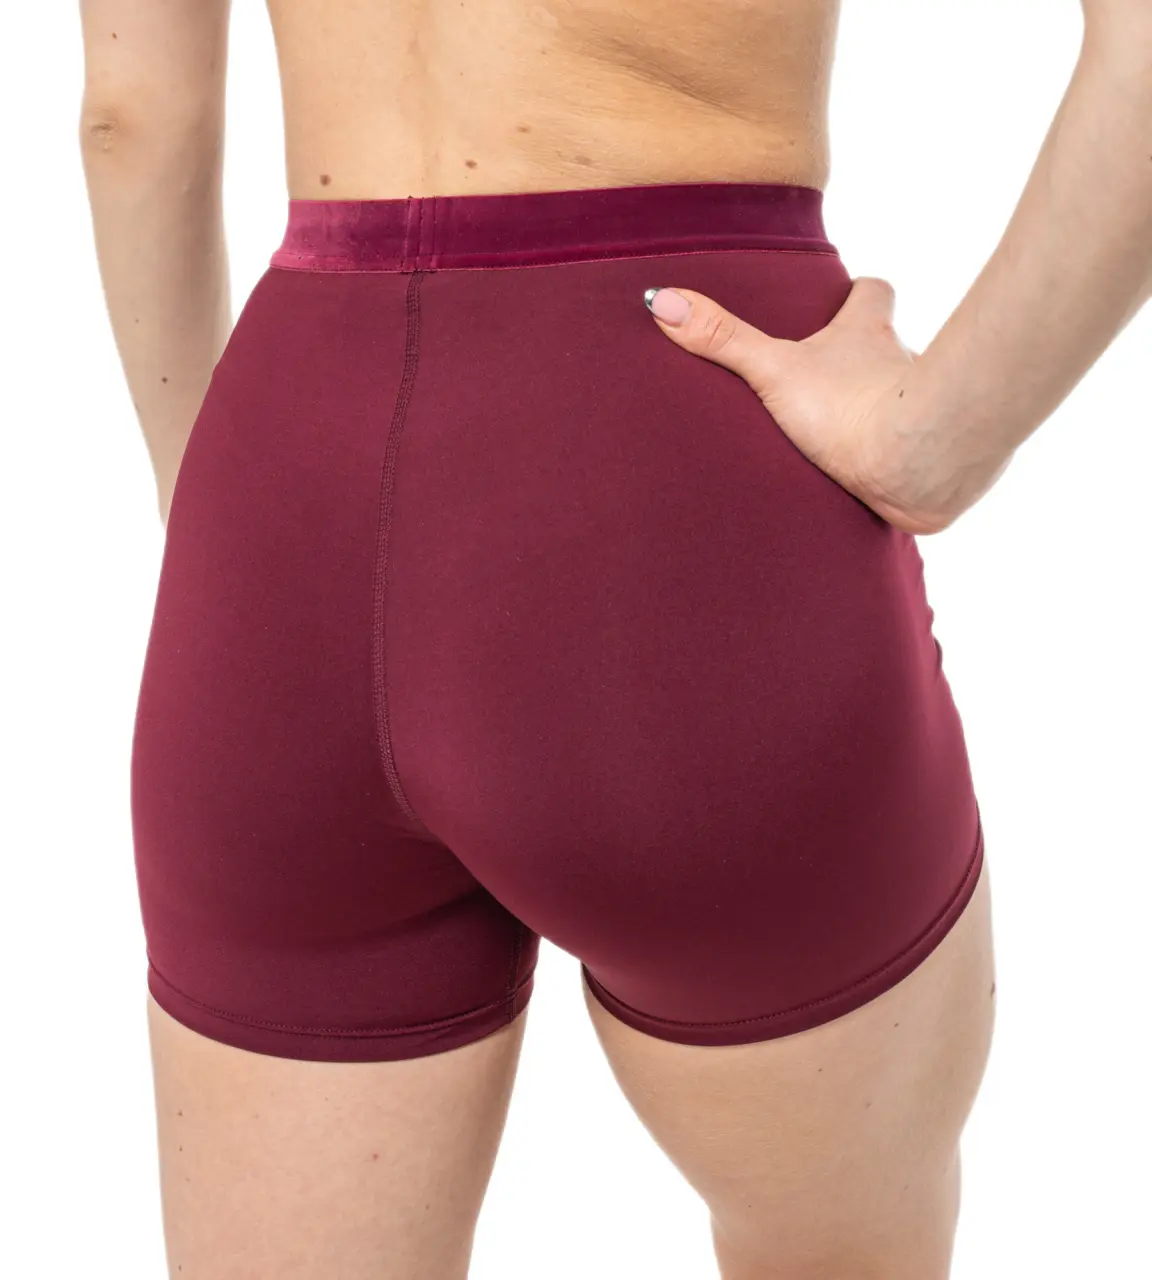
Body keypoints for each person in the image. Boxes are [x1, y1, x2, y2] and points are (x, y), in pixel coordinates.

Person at [77, 1, 1152, 1275]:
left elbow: (134, 124)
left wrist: (224, 525)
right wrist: (939, 438)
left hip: (281, 499)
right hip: (672, 480)